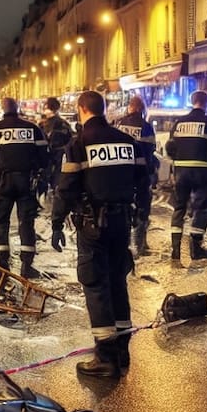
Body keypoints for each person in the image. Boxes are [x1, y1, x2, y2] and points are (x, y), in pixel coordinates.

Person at [51, 90, 143, 377]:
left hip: (93, 225)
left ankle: (105, 357)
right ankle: (122, 351)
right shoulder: (128, 142)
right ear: (102, 109)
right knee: (118, 282)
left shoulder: (79, 144)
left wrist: (56, 223)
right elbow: (143, 181)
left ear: (81, 109)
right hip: (121, 222)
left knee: (95, 284)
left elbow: (66, 188)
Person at [0, 97, 48, 278]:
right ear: (17, 109)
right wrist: (42, 180)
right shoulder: (33, 128)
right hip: (27, 181)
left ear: (2, 110)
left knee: (1, 222)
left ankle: (3, 265)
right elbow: (44, 157)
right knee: (26, 221)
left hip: (3, 181)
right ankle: (27, 265)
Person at [165, 90, 207, 263]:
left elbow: (170, 147)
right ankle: (196, 248)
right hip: (203, 172)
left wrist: (177, 162)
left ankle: (175, 250)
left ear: (192, 102)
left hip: (181, 172)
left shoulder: (179, 123)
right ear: (206, 103)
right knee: (201, 208)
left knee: (179, 208)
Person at [113, 95, 158, 256]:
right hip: (140, 173)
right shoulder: (146, 127)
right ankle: (139, 245)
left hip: (120, 173)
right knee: (142, 206)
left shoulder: (118, 124)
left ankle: (121, 244)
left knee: (121, 206)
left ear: (130, 108)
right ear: (141, 109)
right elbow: (151, 151)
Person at [38, 97, 73, 202]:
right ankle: (55, 195)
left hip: (47, 155)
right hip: (60, 155)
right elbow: (70, 140)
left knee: (45, 177)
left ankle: (44, 197)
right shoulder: (64, 124)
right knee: (57, 178)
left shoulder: (42, 124)